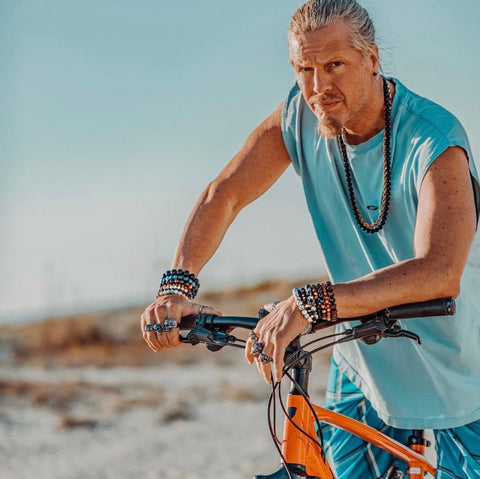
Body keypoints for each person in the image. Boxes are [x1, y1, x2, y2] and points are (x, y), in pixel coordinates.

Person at [141, 0, 480, 477]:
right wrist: (177, 286)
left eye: (334, 65)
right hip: (364, 353)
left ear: (372, 58)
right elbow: (226, 194)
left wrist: (309, 303)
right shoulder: (299, 116)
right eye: (305, 68)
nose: (319, 87)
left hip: (457, 370)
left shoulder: (434, 140)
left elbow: (439, 271)